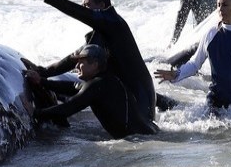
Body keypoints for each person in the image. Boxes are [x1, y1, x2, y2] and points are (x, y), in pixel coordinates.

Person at [29, 0, 158, 122]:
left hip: (141, 95)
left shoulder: (115, 23)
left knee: (140, 131)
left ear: (102, 6)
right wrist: (42, 72)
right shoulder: (100, 34)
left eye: (87, 5)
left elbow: (81, 14)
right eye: (83, 6)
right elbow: (74, 58)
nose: (84, 9)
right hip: (126, 94)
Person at [25, 44, 158, 138]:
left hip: (140, 139)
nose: (76, 66)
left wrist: (35, 113)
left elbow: (67, 109)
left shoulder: (98, 85)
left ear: (94, 65)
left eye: (81, 62)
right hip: (147, 133)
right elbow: (74, 87)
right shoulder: (105, 80)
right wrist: (42, 82)